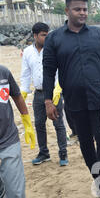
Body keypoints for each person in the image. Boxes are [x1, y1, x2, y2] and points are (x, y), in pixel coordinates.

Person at [43, 0, 100, 198]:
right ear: (67, 11)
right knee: (85, 143)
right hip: (74, 102)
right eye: (77, 9)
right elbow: (48, 71)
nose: (82, 13)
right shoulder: (54, 38)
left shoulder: (98, 35)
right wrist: (48, 101)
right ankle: (99, 179)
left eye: (84, 9)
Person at [21, 22, 68, 167]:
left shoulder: (54, 49)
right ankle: (44, 153)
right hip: (38, 94)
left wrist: (59, 88)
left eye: (47, 35)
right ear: (35, 36)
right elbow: (26, 73)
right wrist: (23, 91)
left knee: (58, 124)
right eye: (43, 35)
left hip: (54, 93)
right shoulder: (28, 52)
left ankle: (63, 153)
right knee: (39, 124)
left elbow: (61, 69)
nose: (46, 38)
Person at [0, 64, 36, 198]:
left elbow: (17, 96)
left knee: (14, 182)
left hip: (8, 137)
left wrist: (27, 121)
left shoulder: (4, 72)